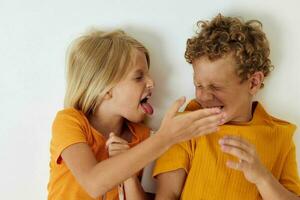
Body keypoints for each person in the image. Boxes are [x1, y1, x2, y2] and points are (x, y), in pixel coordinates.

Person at [47, 29, 225, 200]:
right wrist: (166, 137)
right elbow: (94, 184)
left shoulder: (141, 136)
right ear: (105, 89)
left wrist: (129, 176)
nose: (151, 82)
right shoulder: (69, 122)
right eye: (138, 77)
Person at [153, 14, 300, 200]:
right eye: (198, 85)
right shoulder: (186, 125)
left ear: (253, 83)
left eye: (216, 87)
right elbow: (167, 195)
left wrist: (263, 178)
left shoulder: (280, 136)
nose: (204, 96)